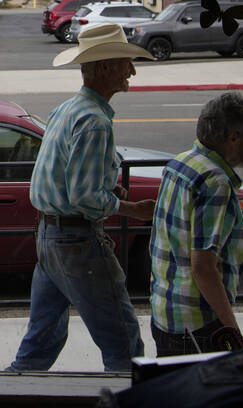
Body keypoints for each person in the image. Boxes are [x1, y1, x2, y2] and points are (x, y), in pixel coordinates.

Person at [8, 23, 156, 373]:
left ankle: (8, 392)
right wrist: (135, 209)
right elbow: (84, 195)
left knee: (41, 340)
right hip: (76, 242)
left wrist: (109, 189)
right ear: (105, 67)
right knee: (124, 343)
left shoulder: (67, 110)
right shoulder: (94, 122)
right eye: (126, 62)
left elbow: (57, 176)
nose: (132, 70)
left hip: (49, 238)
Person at [148, 91, 243, 356]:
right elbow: (204, 269)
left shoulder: (180, 163)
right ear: (233, 138)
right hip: (197, 325)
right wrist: (232, 331)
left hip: (164, 314)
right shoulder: (215, 183)